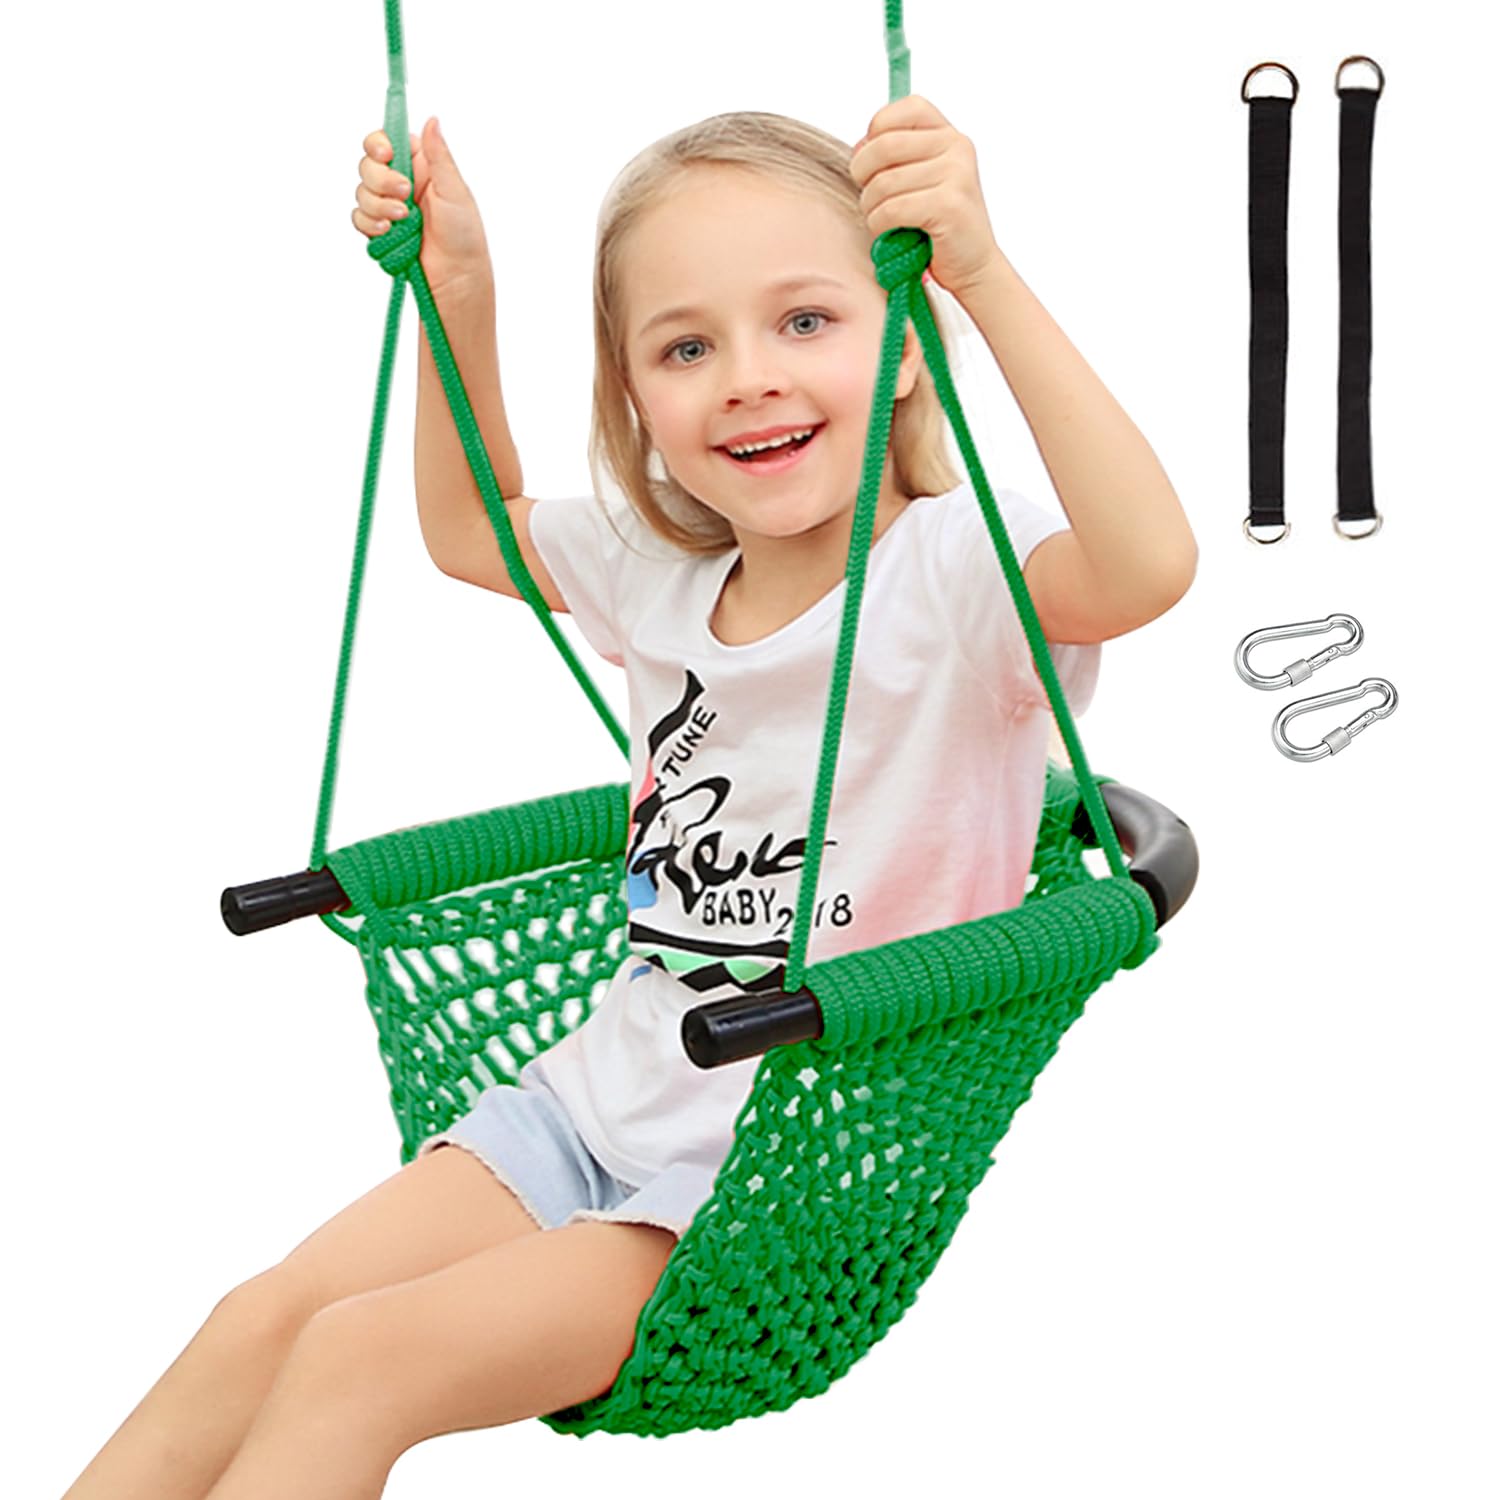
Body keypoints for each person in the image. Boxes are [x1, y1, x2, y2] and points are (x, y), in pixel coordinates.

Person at [63, 97, 1195, 1498]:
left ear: (907, 342)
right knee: (262, 1322)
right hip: (593, 1104)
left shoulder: (957, 576)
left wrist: (985, 273)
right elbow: (469, 527)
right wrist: (459, 293)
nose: (748, 380)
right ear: (636, 396)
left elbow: (1146, 563)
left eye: (805, 321)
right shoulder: (659, 572)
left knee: (359, 1359)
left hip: (790, 1175)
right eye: (685, 347)